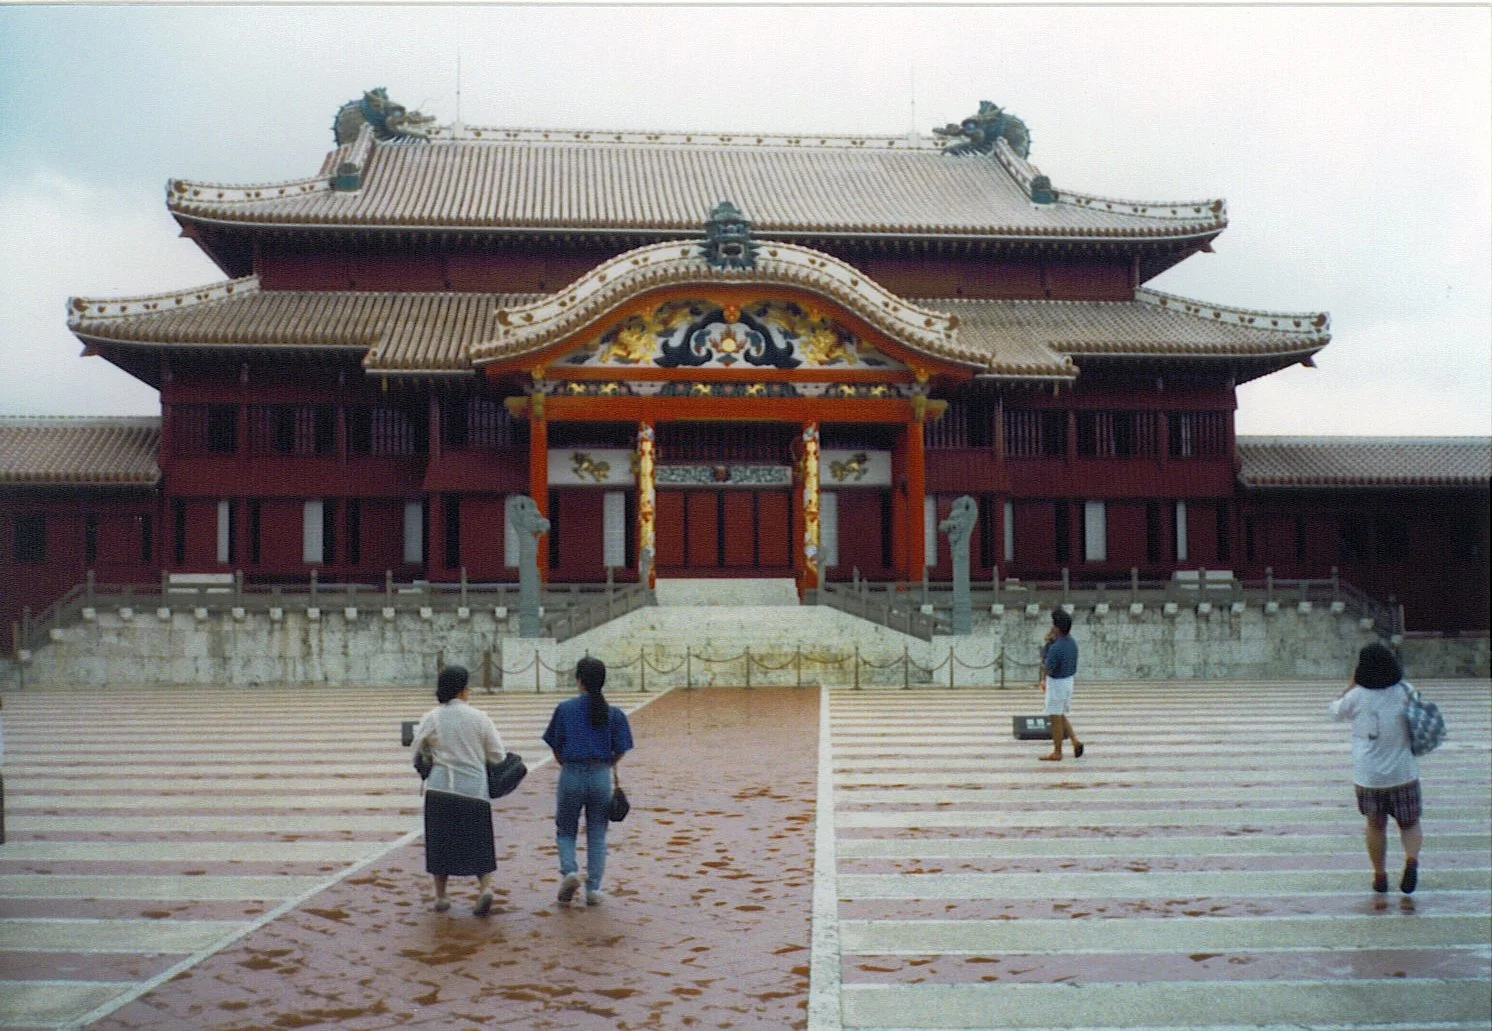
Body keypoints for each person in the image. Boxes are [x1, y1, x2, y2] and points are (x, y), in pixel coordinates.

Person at [411, 665, 506, 916]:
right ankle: (485, 887)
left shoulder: (432, 717)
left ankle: (441, 896)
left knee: (440, 843)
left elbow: (417, 750)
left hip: (440, 788)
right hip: (474, 788)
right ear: (463, 689)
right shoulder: (480, 718)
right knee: (479, 841)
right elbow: (498, 755)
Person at [1330, 642, 1423, 894]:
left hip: (1369, 777)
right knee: (1410, 823)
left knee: (1375, 824)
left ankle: (1380, 875)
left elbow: (1334, 712)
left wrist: (1351, 684)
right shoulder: (1405, 690)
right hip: (1403, 772)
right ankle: (1411, 861)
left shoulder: (1357, 696)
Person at [542, 656, 634, 907]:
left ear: (579, 680)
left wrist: (567, 763)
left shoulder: (565, 709)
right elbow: (623, 748)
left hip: (571, 771)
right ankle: (593, 888)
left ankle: (570, 871)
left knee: (566, 829)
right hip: (601, 773)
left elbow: (555, 745)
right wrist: (608, 763)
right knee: (597, 833)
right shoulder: (614, 714)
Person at [1037, 609, 1084, 762]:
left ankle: (1057, 752)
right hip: (1068, 681)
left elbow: (1048, 667)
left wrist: (1047, 645)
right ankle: (1075, 741)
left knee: (1055, 717)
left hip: (1057, 683)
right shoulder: (1072, 642)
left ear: (1057, 628)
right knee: (1061, 714)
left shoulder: (1056, 647)